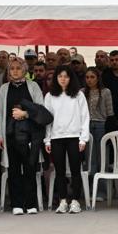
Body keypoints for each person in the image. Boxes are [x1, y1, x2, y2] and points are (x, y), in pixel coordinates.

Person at [0, 59, 52, 215]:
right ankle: (17, 204)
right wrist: (0, 135)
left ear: (25, 70)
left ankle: (31, 203)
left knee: (30, 168)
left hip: (30, 136)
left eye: (18, 68)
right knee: (13, 169)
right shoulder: (4, 89)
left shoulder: (33, 86)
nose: (14, 71)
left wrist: (25, 114)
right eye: (12, 68)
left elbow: (41, 110)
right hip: (10, 134)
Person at [44, 66, 90, 214]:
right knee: (60, 171)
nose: (63, 79)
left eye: (66, 76)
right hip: (57, 137)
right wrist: (48, 140)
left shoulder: (78, 95)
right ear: (56, 78)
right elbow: (47, 120)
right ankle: (63, 201)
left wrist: (83, 138)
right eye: (60, 76)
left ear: (71, 78)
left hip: (74, 137)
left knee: (76, 170)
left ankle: (75, 201)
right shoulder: (50, 96)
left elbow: (85, 117)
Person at [82, 66, 113, 194]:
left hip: (101, 124)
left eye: (92, 77)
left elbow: (109, 111)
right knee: (90, 157)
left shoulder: (105, 92)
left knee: (102, 157)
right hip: (86, 125)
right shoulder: (82, 92)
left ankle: (101, 190)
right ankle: (89, 189)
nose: (89, 80)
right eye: (87, 77)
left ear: (98, 78)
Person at [102, 50, 118, 133]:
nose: (114, 62)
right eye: (112, 60)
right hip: (108, 114)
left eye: (117, 60)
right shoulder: (104, 76)